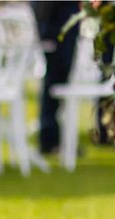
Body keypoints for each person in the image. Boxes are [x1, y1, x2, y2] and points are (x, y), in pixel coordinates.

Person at [33, 1, 82, 155]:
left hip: (64, 13)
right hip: (56, 15)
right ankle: (49, 138)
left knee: (60, 79)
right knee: (55, 79)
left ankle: (55, 137)